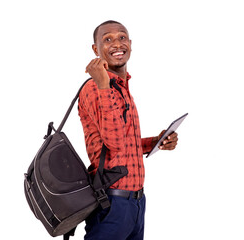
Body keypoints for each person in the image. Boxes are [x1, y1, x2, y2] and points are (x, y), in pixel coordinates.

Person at [78, 20, 179, 240]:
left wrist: (156, 142)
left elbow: (123, 142)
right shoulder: (95, 87)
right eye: (107, 39)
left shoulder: (121, 87)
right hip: (112, 203)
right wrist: (103, 84)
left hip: (135, 203)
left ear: (131, 44)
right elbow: (114, 143)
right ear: (96, 50)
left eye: (122, 37)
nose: (117, 43)